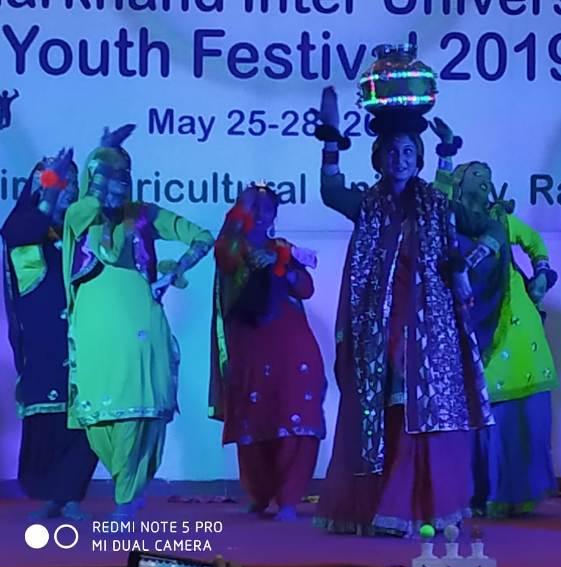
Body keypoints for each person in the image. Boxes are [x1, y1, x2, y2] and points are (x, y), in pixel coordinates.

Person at [313, 74, 493, 536]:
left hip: (429, 327)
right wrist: (331, 139)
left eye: (409, 151)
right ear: (378, 158)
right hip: (380, 326)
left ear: (419, 157)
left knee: (424, 409)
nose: (400, 159)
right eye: (392, 152)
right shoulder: (368, 204)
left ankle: (417, 505)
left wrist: (460, 271)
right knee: (386, 407)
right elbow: (331, 192)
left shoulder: (433, 202)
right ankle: (384, 503)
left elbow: (461, 234)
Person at [62, 125, 214, 519]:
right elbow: (92, 201)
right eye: (109, 178)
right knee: (97, 418)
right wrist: (104, 152)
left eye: (124, 178)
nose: (117, 187)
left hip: (139, 321)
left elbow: (202, 236)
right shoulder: (80, 215)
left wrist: (176, 270)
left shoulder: (143, 214)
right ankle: (129, 486)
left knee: (138, 410)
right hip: (95, 325)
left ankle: (127, 497)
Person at [439, 157, 560, 518]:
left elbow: (534, 242)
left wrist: (542, 274)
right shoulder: (443, 219)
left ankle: (516, 491)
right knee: (478, 403)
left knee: (521, 406)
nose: (483, 181)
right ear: (458, 182)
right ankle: (474, 493)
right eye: (475, 175)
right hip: (466, 316)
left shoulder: (502, 221)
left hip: (514, 320)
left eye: (487, 177)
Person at [209, 182, 326, 522]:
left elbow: (306, 287)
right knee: (253, 418)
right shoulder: (232, 249)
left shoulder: (283, 248)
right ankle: (259, 495)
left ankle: (289, 499)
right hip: (250, 347)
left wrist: (281, 264)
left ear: (276, 214)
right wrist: (241, 208)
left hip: (292, 346)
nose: (260, 215)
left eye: (266, 209)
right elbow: (224, 251)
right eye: (252, 208)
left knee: (296, 416)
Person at [2, 150, 97, 520]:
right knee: (48, 418)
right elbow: (18, 233)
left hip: (88, 342)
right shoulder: (26, 228)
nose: (68, 190)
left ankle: (70, 495)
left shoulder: (84, 231)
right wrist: (50, 187)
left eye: (72, 183)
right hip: (44, 344)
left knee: (89, 418)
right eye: (61, 182)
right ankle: (53, 496)